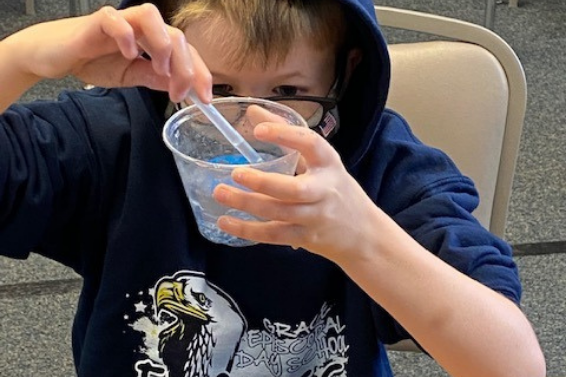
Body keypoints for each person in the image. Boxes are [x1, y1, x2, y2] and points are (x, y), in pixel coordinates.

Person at [0, 0, 545, 376]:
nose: (250, 129)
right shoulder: (110, 139)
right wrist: (20, 57)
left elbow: (513, 363)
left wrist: (361, 237)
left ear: (345, 73)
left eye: (288, 90)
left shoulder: (387, 168)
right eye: (219, 89)